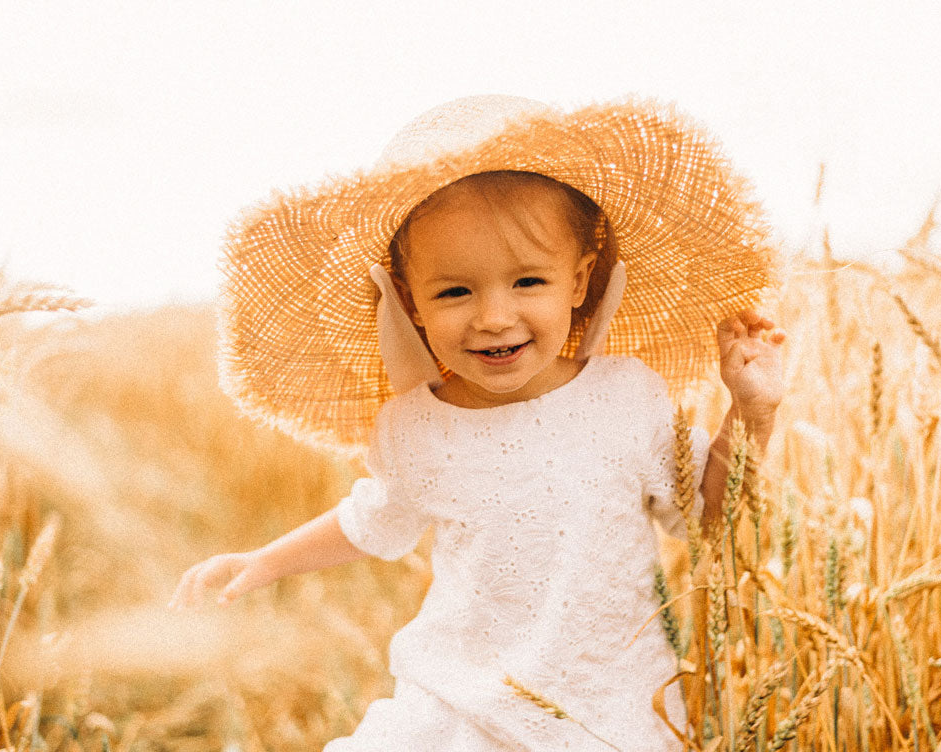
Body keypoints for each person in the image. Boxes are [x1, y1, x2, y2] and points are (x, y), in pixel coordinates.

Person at [168, 95, 786, 751]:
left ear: (579, 281)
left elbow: (710, 515)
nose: (493, 316)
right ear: (410, 301)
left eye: (527, 282)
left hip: (603, 712)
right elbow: (369, 520)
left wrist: (752, 412)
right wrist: (264, 561)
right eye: (456, 291)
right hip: (455, 706)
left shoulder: (625, 398)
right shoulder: (416, 427)